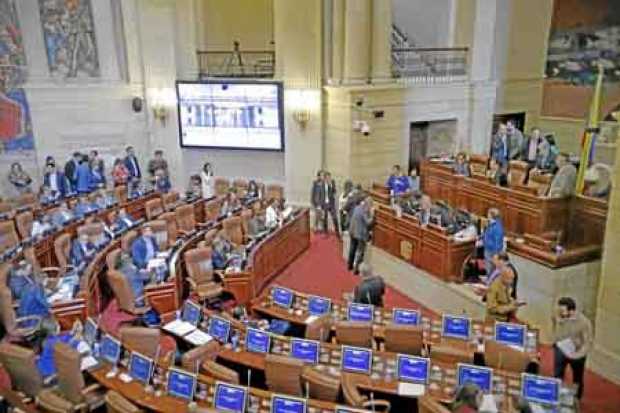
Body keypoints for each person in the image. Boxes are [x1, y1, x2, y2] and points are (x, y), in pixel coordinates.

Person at [552, 297, 592, 399]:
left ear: (572, 311)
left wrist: (577, 355)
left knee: (577, 379)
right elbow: (555, 330)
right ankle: (555, 397)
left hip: (577, 352)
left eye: (562, 311)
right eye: (558, 310)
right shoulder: (558, 316)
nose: (559, 313)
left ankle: (576, 401)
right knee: (557, 375)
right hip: (561, 349)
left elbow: (587, 343)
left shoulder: (584, 322)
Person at [347, 196, 374, 275]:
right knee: (360, 252)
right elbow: (368, 222)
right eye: (371, 205)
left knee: (352, 249)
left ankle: (350, 265)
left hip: (352, 232)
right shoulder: (364, 211)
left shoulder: (357, 207)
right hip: (360, 235)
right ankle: (356, 269)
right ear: (368, 204)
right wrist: (372, 216)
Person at [482, 208, 504, 275]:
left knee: (491, 268)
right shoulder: (491, 224)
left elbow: (498, 241)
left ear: (491, 215)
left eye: (488, 214)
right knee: (487, 266)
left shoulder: (497, 227)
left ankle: (489, 282)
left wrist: (496, 253)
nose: (487, 215)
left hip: (492, 251)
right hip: (488, 248)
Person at [319, 172, 340, 238]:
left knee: (335, 218)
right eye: (328, 177)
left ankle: (337, 232)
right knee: (324, 219)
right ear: (325, 178)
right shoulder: (321, 184)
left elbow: (334, 191)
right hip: (324, 204)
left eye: (330, 177)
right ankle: (325, 232)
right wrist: (320, 205)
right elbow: (320, 195)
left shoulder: (332, 182)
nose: (329, 178)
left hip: (331, 204)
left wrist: (330, 185)